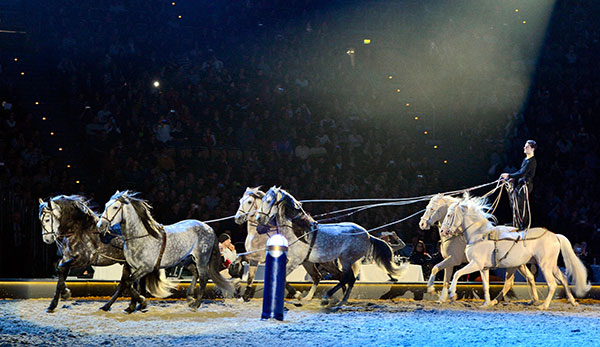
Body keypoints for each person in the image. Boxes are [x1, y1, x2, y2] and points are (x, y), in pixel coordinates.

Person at [501, 140, 537, 229]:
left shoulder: (531, 161)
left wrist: (509, 175)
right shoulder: (525, 159)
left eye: (527, 146)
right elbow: (520, 173)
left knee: (522, 205)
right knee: (514, 203)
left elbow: (522, 173)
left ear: (532, 149)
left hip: (526, 185)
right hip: (520, 184)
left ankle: (523, 225)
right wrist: (513, 178)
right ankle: (516, 222)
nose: (524, 148)